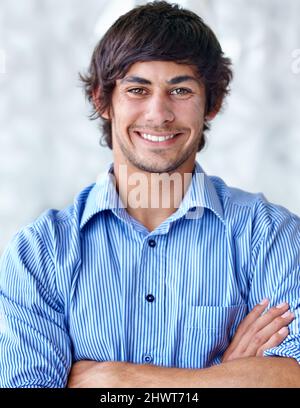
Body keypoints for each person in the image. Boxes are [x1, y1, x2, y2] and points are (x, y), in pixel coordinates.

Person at [0, 1, 299, 388]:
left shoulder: (270, 236)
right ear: (101, 100)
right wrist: (226, 376)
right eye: (138, 89)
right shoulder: (40, 252)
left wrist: (110, 377)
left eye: (181, 90)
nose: (159, 114)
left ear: (213, 104)